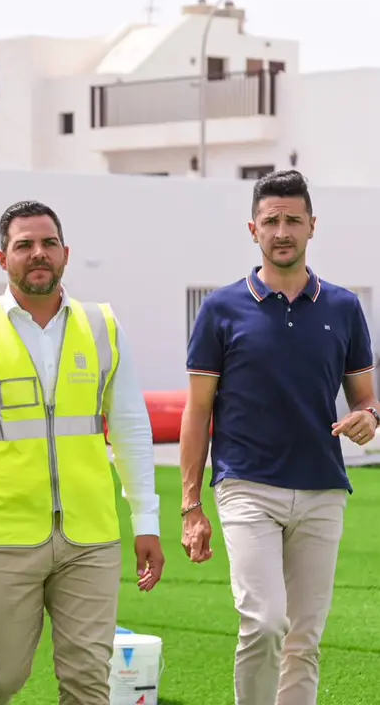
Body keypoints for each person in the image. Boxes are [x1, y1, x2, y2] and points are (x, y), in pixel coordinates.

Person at [0, 200, 165, 705]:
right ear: (2, 257)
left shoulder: (103, 327)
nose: (38, 254)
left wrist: (147, 521)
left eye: (48, 243)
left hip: (91, 536)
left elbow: (132, 428)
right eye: (24, 245)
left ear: (66, 254)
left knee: (88, 685)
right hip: (3, 538)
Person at [180, 169, 378, 705]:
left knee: (304, 638)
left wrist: (370, 416)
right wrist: (190, 506)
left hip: (322, 488)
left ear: (313, 226)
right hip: (247, 486)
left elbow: (366, 396)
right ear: (253, 229)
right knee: (264, 623)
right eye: (272, 221)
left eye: (293, 220)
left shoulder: (344, 308)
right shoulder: (221, 309)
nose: (282, 230)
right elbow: (197, 413)